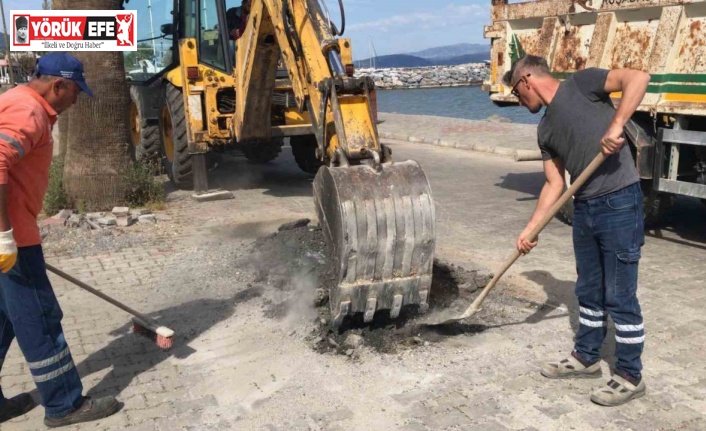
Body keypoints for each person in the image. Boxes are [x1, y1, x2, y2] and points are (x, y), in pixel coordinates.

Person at [506, 55, 650, 406]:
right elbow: (554, 184)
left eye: (515, 92)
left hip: (619, 200)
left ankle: (630, 374)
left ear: (527, 80)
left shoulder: (583, 84)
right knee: (588, 288)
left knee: (619, 293)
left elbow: (638, 78)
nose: (517, 99)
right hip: (584, 208)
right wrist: (532, 228)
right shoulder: (545, 130)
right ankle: (586, 356)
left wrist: (617, 126)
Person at [0, 52, 120, 427]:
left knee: (4, 320)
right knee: (40, 318)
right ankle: (64, 403)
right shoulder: (29, 112)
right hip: (12, 239)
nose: (76, 101)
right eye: (75, 93)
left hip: (9, 235)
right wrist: (5, 235)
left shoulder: (11, 100)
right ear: (58, 85)